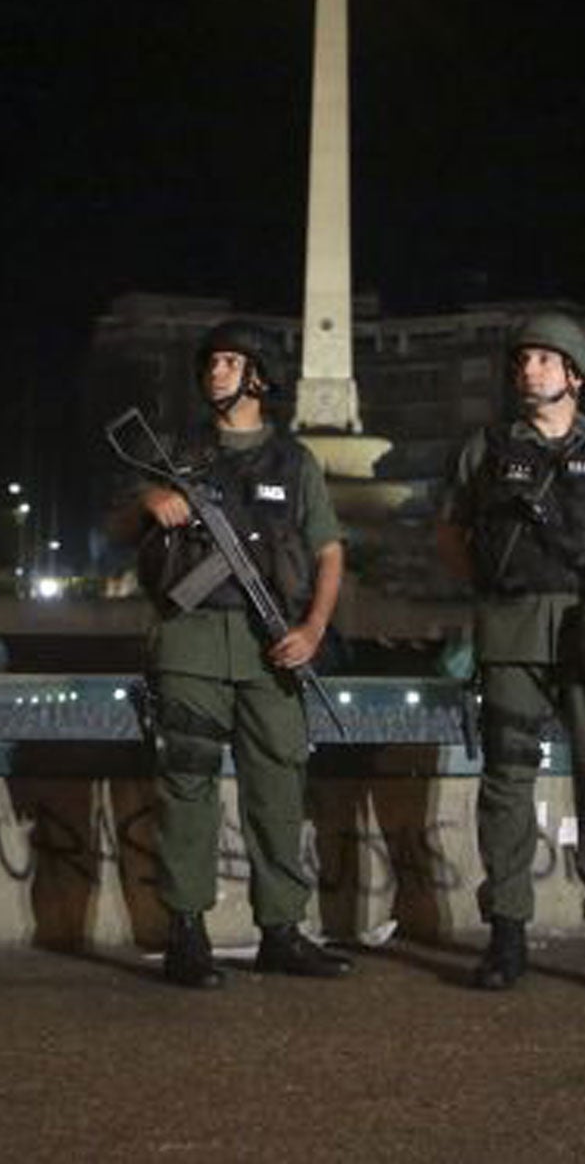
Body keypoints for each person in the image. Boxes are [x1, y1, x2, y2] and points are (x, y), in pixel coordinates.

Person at [436, 311, 585, 995]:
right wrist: (490, 585)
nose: (528, 369)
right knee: (506, 781)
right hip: (511, 631)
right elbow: (449, 536)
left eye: (544, 359)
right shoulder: (485, 448)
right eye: (523, 360)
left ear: (574, 375)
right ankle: (506, 934)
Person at [125, 319, 351, 988]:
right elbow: (120, 524)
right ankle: (185, 934)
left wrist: (312, 630)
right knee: (187, 786)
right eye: (212, 362)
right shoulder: (176, 450)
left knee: (278, 787)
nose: (216, 372)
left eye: (231, 362)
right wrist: (151, 498)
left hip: (270, 646)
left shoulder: (294, 462)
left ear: (259, 375)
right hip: (190, 641)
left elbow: (329, 553)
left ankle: (281, 931)